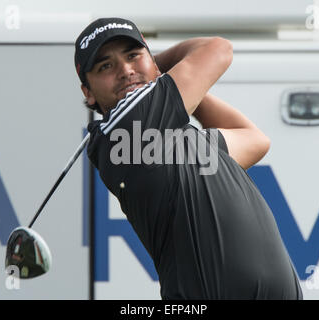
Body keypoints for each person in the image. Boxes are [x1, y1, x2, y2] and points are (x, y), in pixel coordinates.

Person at [74, 17, 303, 300]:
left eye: (133, 56)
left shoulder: (169, 138)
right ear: (88, 92)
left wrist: (161, 79)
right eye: (105, 66)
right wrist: (157, 68)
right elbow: (218, 49)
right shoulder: (128, 128)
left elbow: (254, 140)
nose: (125, 70)